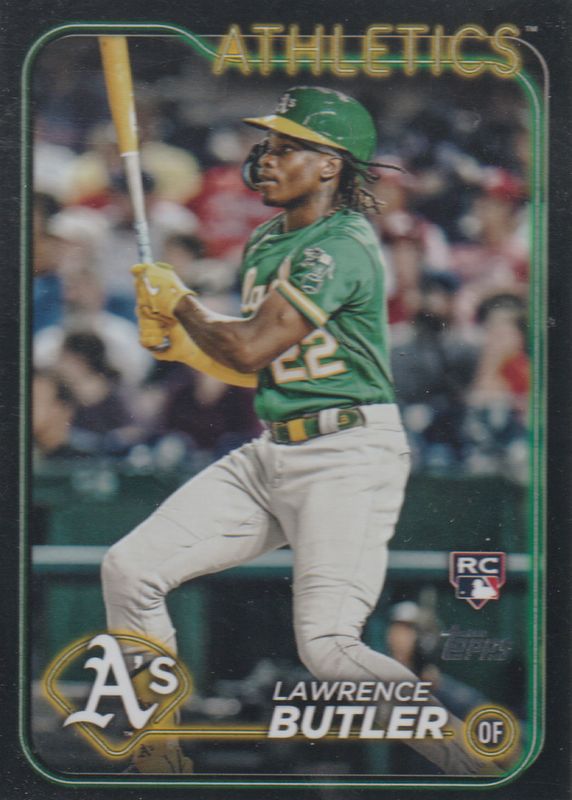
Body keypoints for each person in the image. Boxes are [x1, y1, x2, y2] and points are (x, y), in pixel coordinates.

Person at [101, 87, 500, 776]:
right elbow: (252, 360)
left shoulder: (341, 245)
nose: (267, 157)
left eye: (288, 147)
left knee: (328, 647)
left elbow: (252, 344)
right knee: (129, 570)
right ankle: (157, 750)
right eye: (269, 144)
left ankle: (474, 763)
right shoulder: (266, 240)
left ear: (330, 165)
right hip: (275, 447)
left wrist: (183, 303)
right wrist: (178, 342)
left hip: (347, 454)